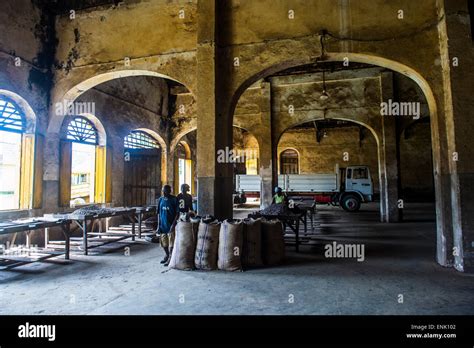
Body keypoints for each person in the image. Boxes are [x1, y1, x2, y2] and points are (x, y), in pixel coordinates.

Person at [154, 185, 179, 266]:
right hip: (162, 225)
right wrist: (158, 225)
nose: (164, 193)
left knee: (171, 243)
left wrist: (173, 225)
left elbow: (177, 213)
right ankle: (167, 255)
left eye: (166, 191)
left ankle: (170, 258)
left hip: (171, 225)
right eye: (163, 191)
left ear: (169, 191)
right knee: (164, 243)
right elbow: (158, 214)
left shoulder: (174, 199)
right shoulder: (160, 200)